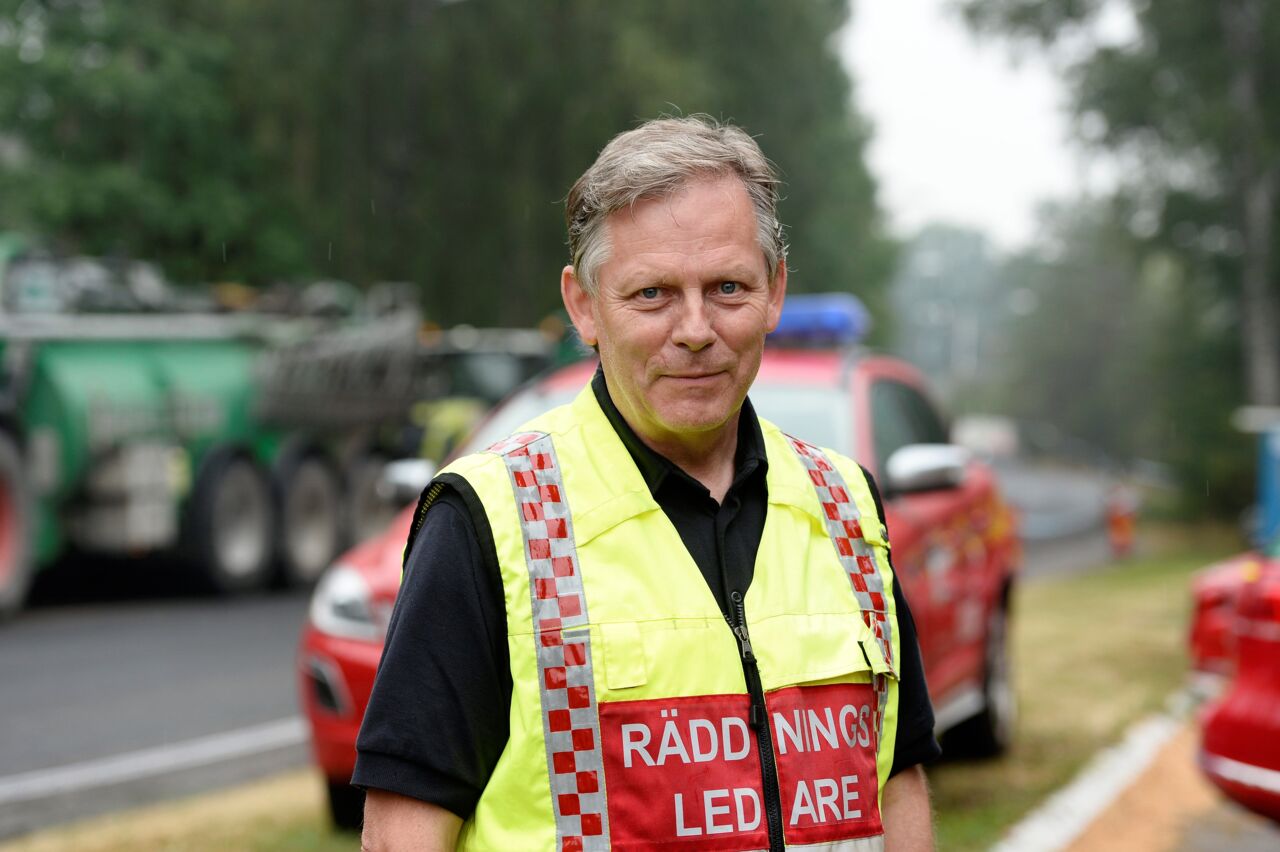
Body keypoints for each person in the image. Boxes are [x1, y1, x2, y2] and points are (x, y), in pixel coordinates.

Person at [356, 116, 940, 851]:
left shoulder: (847, 505)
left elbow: (897, 777)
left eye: (727, 287)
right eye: (653, 294)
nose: (695, 329)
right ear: (583, 306)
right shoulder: (488, 520)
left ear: (775, 291)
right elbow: (401, 830)